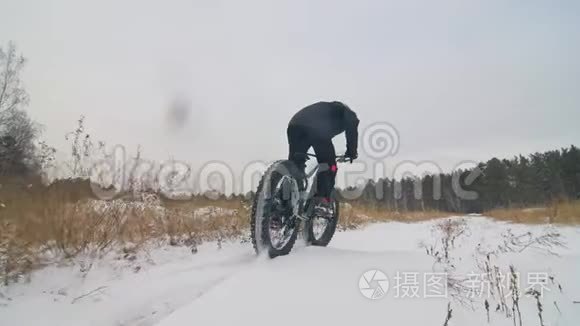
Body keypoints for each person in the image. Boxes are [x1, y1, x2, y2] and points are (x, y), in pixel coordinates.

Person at [286, 101, 359, 208]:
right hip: (316, 129)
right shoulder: (350, 115)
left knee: (295, 165)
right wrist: (351, 153)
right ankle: (321, 199)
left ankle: (282, 205)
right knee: (330, 166)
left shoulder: (328, 109)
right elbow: (352, 134)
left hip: (294, 126)